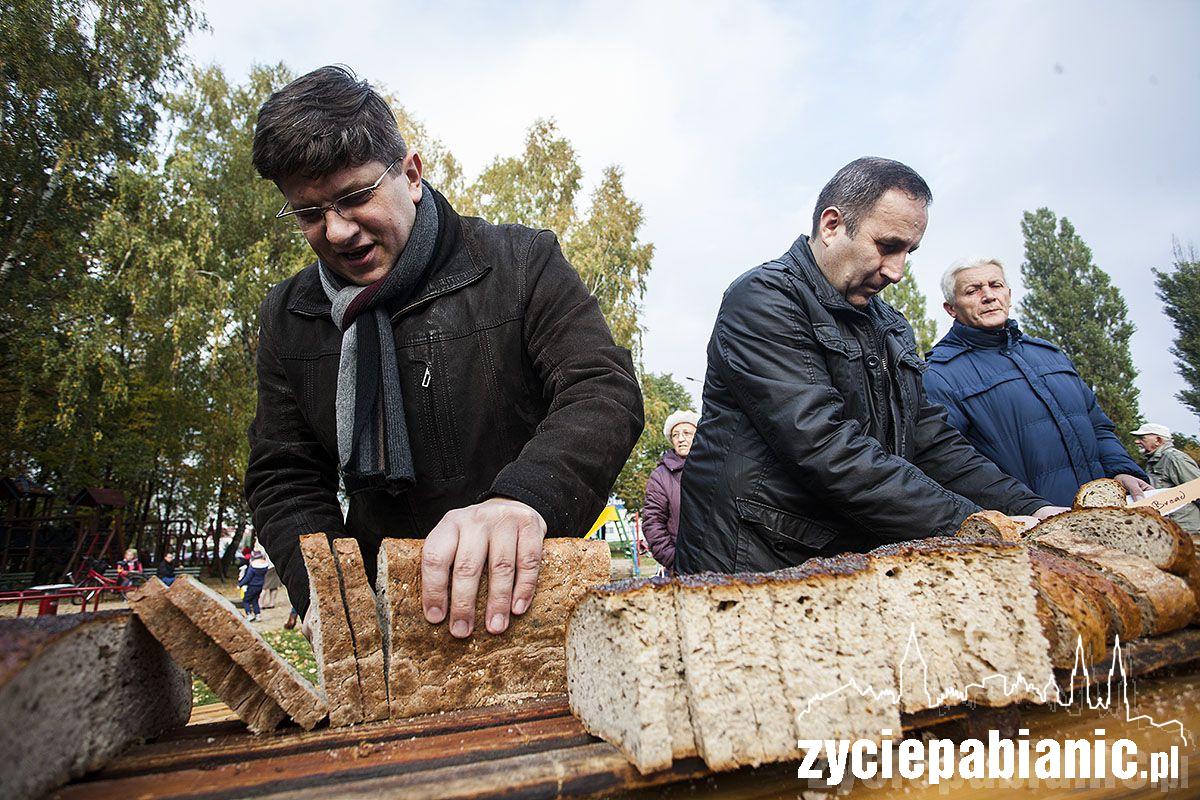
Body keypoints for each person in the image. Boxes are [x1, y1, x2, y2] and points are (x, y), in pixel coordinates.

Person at [244, 66, 643, 638]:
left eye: (354, 198)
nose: (336, 231)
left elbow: (602, 390)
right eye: (309, 213)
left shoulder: (522, 262)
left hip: (529, 589)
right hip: (387, 616)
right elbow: (285, 472)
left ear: (410, 173)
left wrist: (521, 499)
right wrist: (330, 591)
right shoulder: (289, 317)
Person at [676, 157, 1065, 575]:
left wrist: (1031, 509)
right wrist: (972, 525)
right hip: (752, 563)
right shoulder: (764, 300)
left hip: (840, 561)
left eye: (909, 252)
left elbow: (930, 441)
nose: (897, 271)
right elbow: (824, 446)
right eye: (887, 246)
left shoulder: (889, 325)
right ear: (831, 226)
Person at [922, 257, 1152, 508]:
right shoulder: (939, 373)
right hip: (1032, 527)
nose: (988, 296)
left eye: (995, 285)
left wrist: (1122, 469)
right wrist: (1027, 507)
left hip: (1108, 514)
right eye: (972, 290)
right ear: (951, 308)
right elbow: (949, 461)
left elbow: (1098, 426)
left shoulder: (1050, 355)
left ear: (1008, 294)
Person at [642, 410, 698, 574]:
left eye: (687, 433)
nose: (681, 439)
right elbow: (652, 522)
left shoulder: (714, 469)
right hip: (680, 570)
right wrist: (675, 560)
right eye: (675, 435)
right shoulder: (660, 477)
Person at [1131, 423, 1200, 534]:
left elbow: (1197, 489)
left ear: (1158, 440)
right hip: (1171, 529)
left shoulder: (1174, 458)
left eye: (1142, 438)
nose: (1137, 441)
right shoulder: (1154, 460)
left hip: (1187, 530)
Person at [239, 550, 269, 621]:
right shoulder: (264, 566)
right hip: (260, 585)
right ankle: (258, 615)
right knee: (255, 600)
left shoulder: (253, 567)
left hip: (252, 585)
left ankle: (249, 614)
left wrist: (241, 584)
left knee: (246, 600)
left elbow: (248, 578)